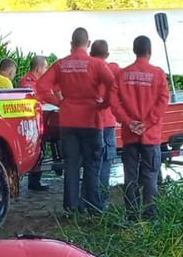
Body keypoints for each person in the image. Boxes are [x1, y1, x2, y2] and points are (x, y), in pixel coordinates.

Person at [35, 28, 112, 213]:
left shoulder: (62, 64)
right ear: (88, 43)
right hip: (91, 120)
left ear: (71, 44)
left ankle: (71, 207)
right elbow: (112, 83)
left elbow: (41, 86)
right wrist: (103, 105)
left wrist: (60, 102)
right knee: (92, 164)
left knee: (71, 164)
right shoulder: (96, 64)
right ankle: (93, 206)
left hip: (68, 121)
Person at [112, 34, 170, 220]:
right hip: (150, 134)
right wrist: (147, 122)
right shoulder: (158, 74)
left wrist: (128, 121)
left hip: (130, 134)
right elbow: (163, 101)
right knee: (150, 174)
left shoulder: (123, 74)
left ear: (134, 50)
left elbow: (113, 101)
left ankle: (131, 214)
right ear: (150, 51)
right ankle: (150, 213)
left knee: (130, 175)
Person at [90, 39, 121, 203]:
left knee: (91, 162)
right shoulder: (113, 68)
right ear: (107, 54)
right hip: (108, 122)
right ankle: (101, 200)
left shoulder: (87, 68)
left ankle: (89, 199)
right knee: (106, 162)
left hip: (88, 122)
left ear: (90, 53)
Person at [17, 53, 51, 191]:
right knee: (38, 150)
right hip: (32, 123)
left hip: (35, 121)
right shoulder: (28, 83)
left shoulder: (31, 81)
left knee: (40, 150)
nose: (47, 71)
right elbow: (36, 102)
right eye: (46, 68)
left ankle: (35, 180)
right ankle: (34, 181)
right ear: (38, 69)